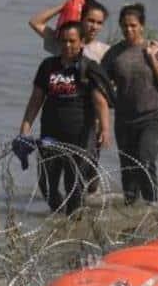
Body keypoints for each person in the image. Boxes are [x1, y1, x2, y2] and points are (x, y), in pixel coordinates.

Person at [20, 21, 112, 215]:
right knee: (47, 184)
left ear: (82, 42)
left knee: (74, 186)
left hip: (79, 136)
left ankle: (73, 224)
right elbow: (35, 100)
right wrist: (25, 129)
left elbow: (100, 102)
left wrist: (104, 129)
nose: (67, 45)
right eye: (63, 41)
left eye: (72, 41)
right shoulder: (48, 66)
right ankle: (59, 220)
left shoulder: (89, 68)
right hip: (50, 134)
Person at [101, 3, 158, 205]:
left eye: (133, 25)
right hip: (124, 121)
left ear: (142, 26)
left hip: (154, 118)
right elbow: (100, 84)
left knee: (144, 161)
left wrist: (152, 58)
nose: (129, 30)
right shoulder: (113, 54)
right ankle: (131, 218)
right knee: (128, 175)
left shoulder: (154, 49)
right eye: (125, 26)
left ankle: (152, 208)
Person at [29, 0, 111, 63]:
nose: (94, 27)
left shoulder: (105, 51)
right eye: (91, 21)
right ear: (81, 19)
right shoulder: (64, 43)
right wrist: (66, 6)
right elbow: (35, 22)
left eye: (99, 23)